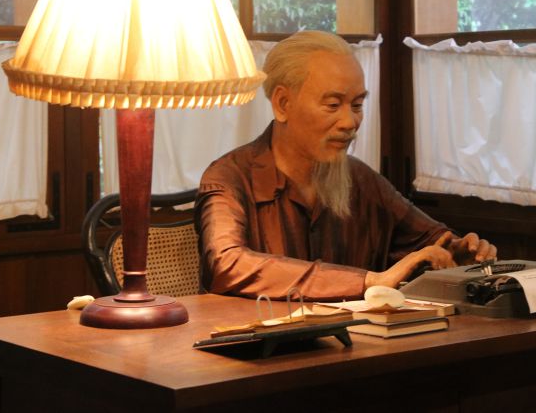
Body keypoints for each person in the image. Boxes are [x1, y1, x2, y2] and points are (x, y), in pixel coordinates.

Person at [195, 30, 497, 300]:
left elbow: (430, 240)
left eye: (357, 105)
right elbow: (227, 264)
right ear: (283, 104)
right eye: (333, 105)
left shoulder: (360, 179)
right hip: (261, 356)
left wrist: (459, 252)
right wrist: (368, 281)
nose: (350, 122)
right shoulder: (229, 178)